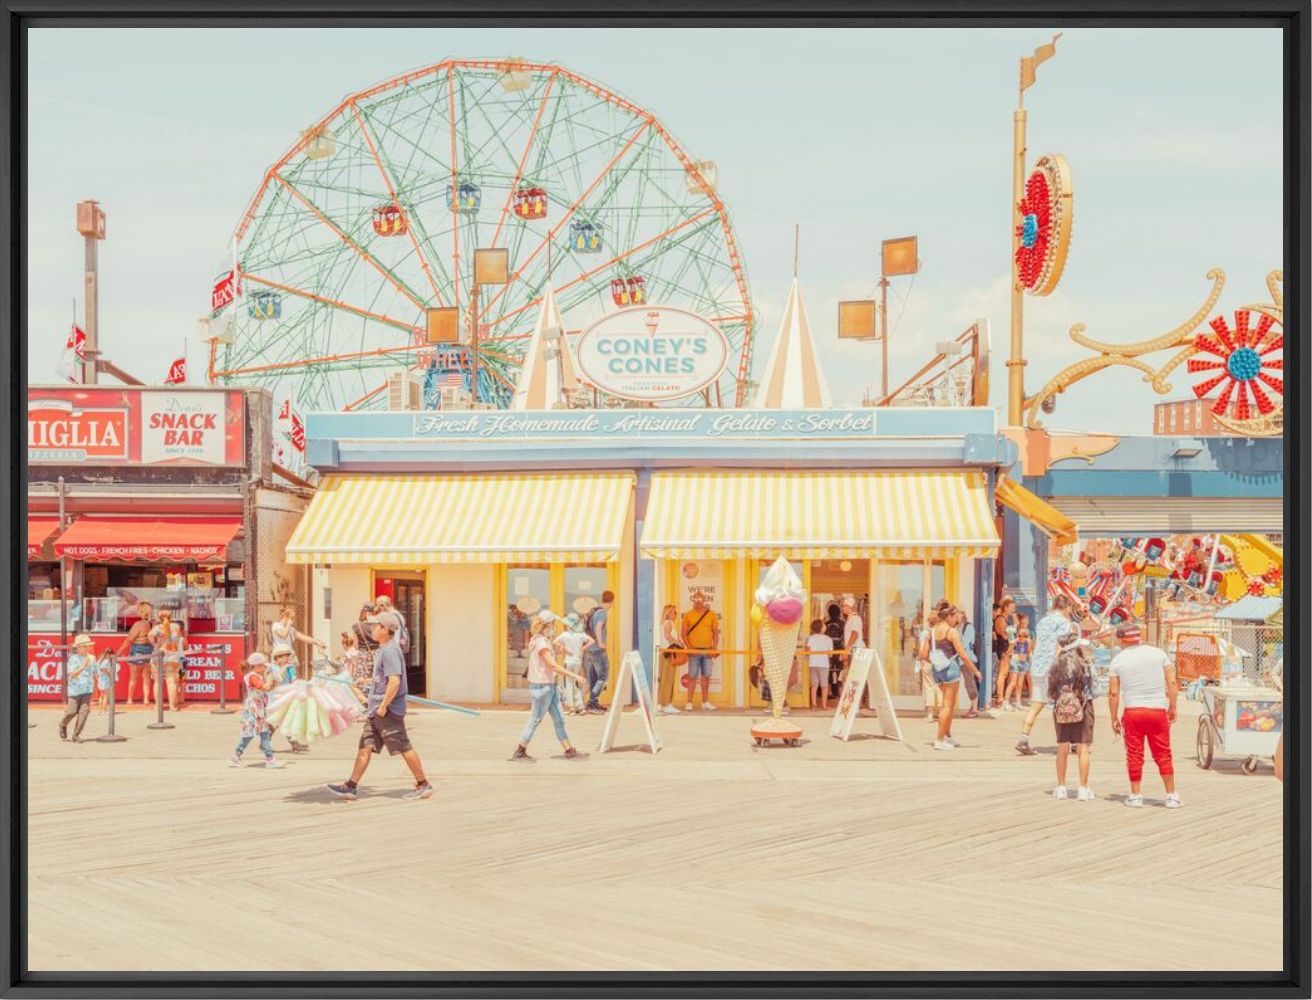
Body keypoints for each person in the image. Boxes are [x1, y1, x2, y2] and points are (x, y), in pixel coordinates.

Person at [327, 614, 434, 800]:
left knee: (403, 745)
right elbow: (385, 678)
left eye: (376, 626)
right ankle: (351, 786)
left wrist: (384, 706)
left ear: (385, 629)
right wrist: (367, 681)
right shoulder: (384, 649)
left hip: (388, 711)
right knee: (365, 746)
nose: (372, 629)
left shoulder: (390, 651)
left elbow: (394, 681)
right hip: (375, 709)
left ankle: (423, 784)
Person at [1107, 623, 1181, 809]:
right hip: (1157, 710)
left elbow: (1114, 694)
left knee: (1134, 753)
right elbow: (1172, 683)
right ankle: (1171, 795)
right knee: (1163, 753)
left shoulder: (1117, 661)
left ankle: (1135, 795)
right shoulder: (1158, 654)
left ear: (1122, 639)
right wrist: (1172, 706)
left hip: (1133, 711)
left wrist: (1113, 717)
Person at [512, 611, 589, 761]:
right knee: (535, 719)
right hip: (542, 687)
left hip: (550, 686)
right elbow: (552, 666)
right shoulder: (541, 642)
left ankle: (569, 750)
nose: (554, 627)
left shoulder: (540, 640)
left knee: (559, 718)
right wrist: (576, 676)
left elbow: (547, 661)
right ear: (547, 625)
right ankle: (520, 750)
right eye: (553, 624)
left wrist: (559, 651)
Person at [1016, 594, 1075, 755]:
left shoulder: (1042, 621)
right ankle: (1072, 740)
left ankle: (1024, 738)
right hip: (1054, 668)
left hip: (1038, 667)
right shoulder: (1065, 623)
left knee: (1037, 703)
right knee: (1065, 704)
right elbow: (1061, 646)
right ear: (1066, 607)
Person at [1047, 632, 1096, 801]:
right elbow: (1094, 688)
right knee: (1083, 748)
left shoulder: (1055, 665)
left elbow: (1051, 692)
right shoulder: (1085, 664)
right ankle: (1083, 788)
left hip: (1061, 709)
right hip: (1083, 706)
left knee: (1062, 748)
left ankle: (1061, 787)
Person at [928, 606, 977, 751]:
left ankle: (947, 736)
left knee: (946, 705)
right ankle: (939, 739)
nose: (957, 619)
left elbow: (925, 651)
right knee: (947, 706)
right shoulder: (952, 632)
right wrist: (976, 671)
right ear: (949, 616)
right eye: (956, 616)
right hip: (950, 669)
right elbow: (962, 655)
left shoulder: (933, 630)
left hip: (937, 670)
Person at [228, 653, 283, 769]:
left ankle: (269, 758)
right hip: (253, 709)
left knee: (264, 733)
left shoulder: (258, 676)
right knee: (248, 735)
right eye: (263, 666)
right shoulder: (252, 677)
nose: (265, 668)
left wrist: (275, 682)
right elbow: (265, 687)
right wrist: (270, 678)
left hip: (260, 709)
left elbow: (268, 689)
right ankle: (235, 756)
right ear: (257, 666)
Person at [680, 590, 720, 711]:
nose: (698, 602)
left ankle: (705, 702)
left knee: (706, 677)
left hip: (707, 651)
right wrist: (690, 648)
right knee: (692, 677)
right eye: (696, 599)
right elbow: (683, 634)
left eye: (700, 599)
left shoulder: (712, 614)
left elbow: (715, 633)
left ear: (704, 601)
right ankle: (689, 702)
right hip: (693, 652)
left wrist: (714, 649)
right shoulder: (688, 615)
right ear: (693, 600)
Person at [553, 613, 594, 715]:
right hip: (577, 662)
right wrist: (582, 648)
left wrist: (564, 649)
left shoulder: (565, 635)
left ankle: (571, 707)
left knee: (569, 684)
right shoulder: (581, 634)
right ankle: (580, 706)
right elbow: (592, 641)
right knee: (577, 683)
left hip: (568, 661)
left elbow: (554, 642)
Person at [60, 634, 96, 742]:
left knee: (84, 712)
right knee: (71, 711)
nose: (87, 648)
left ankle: (76, 734)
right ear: (78, 647)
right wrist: (83, 666)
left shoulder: (92, 658)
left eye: (88, 646)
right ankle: (63, 724)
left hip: (87, 689)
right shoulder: (73, 658)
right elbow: (72, 675)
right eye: (84, 646)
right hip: (74, 690)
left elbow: (94, 671)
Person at [116, 601, 154, 706]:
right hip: (149, 651)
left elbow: (129, 640)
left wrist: (118, 652)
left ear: (141, 612)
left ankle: (130, 699)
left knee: (134, 677)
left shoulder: (138, 624)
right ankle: (146, 699)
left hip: (137, 651)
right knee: (146, 677)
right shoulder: (153, 624)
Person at [583, 591, 614, 714]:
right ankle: (592, 703)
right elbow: (598, 627)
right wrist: (601, 643)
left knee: (594, 677)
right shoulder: (602, 613)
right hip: (597, 649)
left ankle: (594, 703)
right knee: (603, 676)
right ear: (611, 601)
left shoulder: (594, 611)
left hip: (590, 649)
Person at [150, 610, 186, 712]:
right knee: (171, 682)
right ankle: (172, 706)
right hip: (172, 656)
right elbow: (179, 640)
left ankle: (158, 706)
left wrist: (156, 644)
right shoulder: (176, 627)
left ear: (159, 618)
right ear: (170, 617)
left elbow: (150, 635)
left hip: (159, 655)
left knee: (157, 681)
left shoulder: (157, 628)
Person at [954, 607, 983, 718]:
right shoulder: (956, 627)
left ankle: (975, 709)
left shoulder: (968, 627)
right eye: (955, 614)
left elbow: (965, 645)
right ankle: (973, 708)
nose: (956, 616)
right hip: (959, 659)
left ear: (962, 614)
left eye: (958, 613)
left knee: (969, 683)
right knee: (965, 683)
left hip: (967, 659)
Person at [657, 604, 683, 715]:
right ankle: (666, 703)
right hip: (669, 653)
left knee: (664, 679)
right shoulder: (669, 623)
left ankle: (663, 703)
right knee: (668, 679)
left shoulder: (663, 623)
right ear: (669, 613)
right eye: (674, 612)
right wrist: (679, 643)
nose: (675, 615)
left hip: (664, 653)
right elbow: (667, 636)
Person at [1001, 614, 1031, 710]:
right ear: (1018, 635)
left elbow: (1029, 652)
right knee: (1013, 682)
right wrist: (1012, 645)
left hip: (1023, 663)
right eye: (1021, 636)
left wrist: (1029, 645)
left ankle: (1018, 703)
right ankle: (1006, 702)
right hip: (1015, 662)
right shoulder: (1015, 641)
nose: (1023, 638)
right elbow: (1009, 652)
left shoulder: (1027, 641)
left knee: (1020, 684)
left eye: (1025, 636)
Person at [916, 610, 941, 723]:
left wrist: (919, 658)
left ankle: (930, 714)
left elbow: (922, 650)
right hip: (939, 663)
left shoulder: (925, 633)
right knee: (939, 687)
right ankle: (940, 712)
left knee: (929, 687)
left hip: (927, 662)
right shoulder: (941, 632)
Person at [992, 597, 1015, 709]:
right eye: (1011, 607)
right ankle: (1000, 699)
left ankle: (1002, 698)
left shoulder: (1004, 618)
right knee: (1002, 674)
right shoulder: (1000, 619)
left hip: (1007, 649)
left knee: (1004, 674)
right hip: (1003, 649)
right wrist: (1013, 628)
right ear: (1006, 607)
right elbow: (1004, 634)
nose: (1013, 610)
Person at [806, 618, 834, 710]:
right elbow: (830, 655)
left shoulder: (810, 638)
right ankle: (824, 706)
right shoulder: (828, 639)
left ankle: (813, 706)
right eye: (824, 625)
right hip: (823, 664)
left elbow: (808, 652)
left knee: (814, 686)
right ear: (822, 628)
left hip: (813, 664)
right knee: (824, 686)